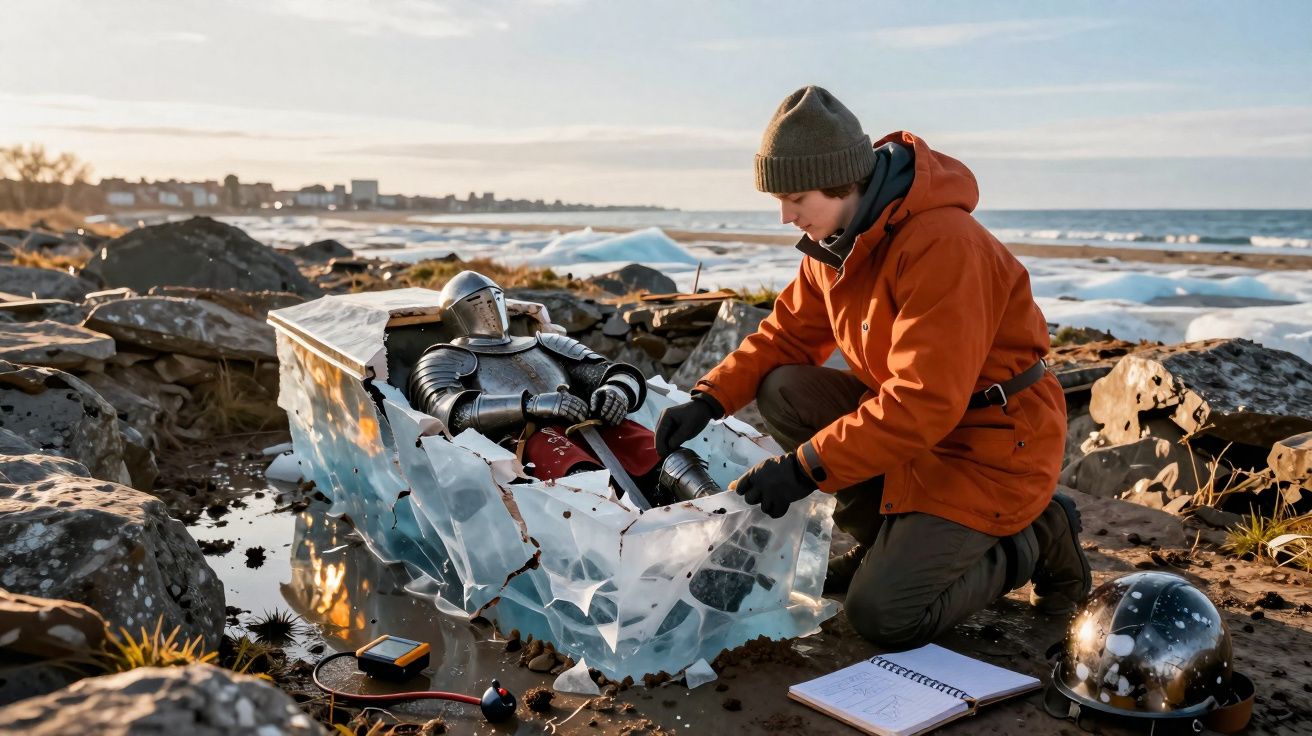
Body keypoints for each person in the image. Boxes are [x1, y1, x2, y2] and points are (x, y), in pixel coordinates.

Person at [654, 86, 1090, 649]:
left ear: (843, 183)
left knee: (883, 616)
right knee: (784, 388)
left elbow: (923, 402)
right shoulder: (837, 243)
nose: (785, 216)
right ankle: (884, 538)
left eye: (795, 198)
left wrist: (803, 469)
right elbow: (786, 335)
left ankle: (1034, 535)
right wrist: (707, 399)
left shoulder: (943, 245)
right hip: (912, 431)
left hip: (990, 445)